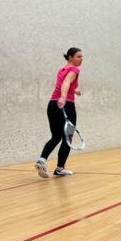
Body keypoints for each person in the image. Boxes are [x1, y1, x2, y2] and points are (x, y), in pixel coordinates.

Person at [35, 47, 83, 178]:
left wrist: (75, 90)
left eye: (82, 57)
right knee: (68, 138)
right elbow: (66, 82)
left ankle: (42, 160)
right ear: (70, 57)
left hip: (52, 104)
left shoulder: (62, 70)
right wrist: (63, 97)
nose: (81, 59)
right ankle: (60, 168)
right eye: (78, 57)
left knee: (56, 137)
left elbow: (66, 83)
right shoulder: (74, 69)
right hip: (66, 105)